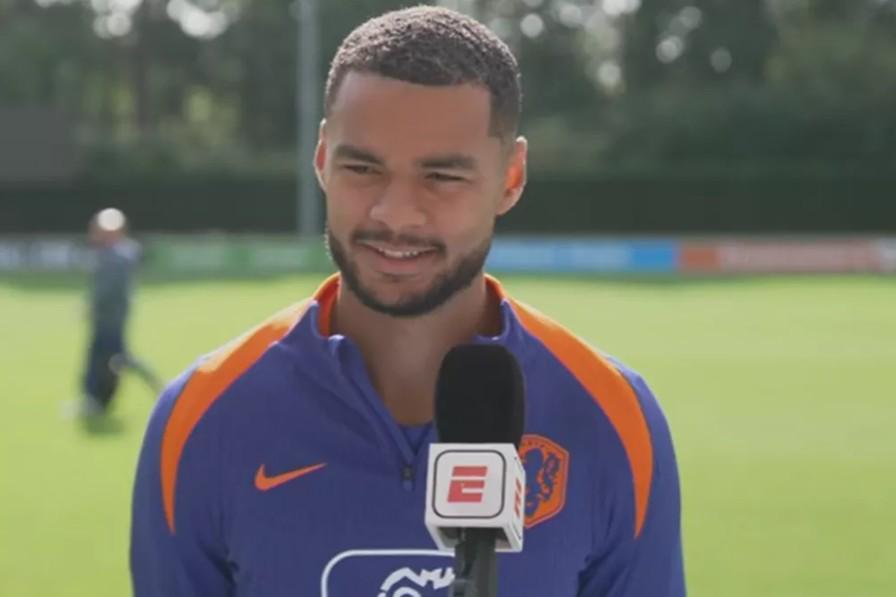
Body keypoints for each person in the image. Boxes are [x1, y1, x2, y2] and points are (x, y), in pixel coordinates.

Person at [130, 7, 685, 596]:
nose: (394, 213)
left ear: (511, 177)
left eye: (442, 176)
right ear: (321, 159)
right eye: (362, 167)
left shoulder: (611, 417)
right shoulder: (203, 418)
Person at [82, 207, 161, 417]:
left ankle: (95, 401)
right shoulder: (117, 253)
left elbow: (108, 289)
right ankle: (96, 400)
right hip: (111, 316)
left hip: (110, 317)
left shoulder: (118, 256)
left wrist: (92, 305)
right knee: (116, 358)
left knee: (112, 359)